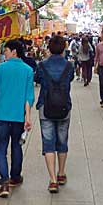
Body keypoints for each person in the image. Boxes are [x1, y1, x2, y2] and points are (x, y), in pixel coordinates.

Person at [0, 39, 35, 198]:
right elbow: (29, 97)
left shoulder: (1, 69)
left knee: (0, 148)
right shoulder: (28, 70)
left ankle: (4, 182)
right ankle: (15, 177)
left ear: (14, 51)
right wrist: (27, 117)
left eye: (5, 51)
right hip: (18, 117)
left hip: (1, 116)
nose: (4, 54)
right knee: (16, 146)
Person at [35, 35, 75, 193]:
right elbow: (70, 79)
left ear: (49, 48)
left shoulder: (42, 65)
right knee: (62, 139)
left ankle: (52, 180)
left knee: (48, 141)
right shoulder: (69, 66)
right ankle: (61, 173)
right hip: (64, 106)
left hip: (46, 107)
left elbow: (37, 79)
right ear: (64, 47)